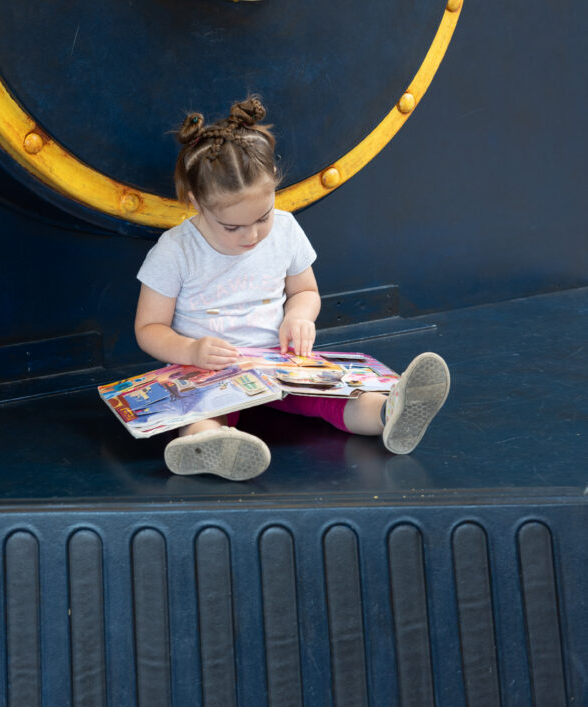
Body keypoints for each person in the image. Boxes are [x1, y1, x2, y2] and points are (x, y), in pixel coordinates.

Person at [135, 96, 450, 480]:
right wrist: (191, 350)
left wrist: (299, 316)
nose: (251, 235)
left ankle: (391, 414)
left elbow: (305, 291)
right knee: (204, 410)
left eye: (262, 217)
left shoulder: (284, 229)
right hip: (208, 370)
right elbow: (148, 328)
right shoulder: (176, 250)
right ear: (196, 202)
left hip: (279, 362)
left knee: (334, 397)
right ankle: (210, 446)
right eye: (232, 227)